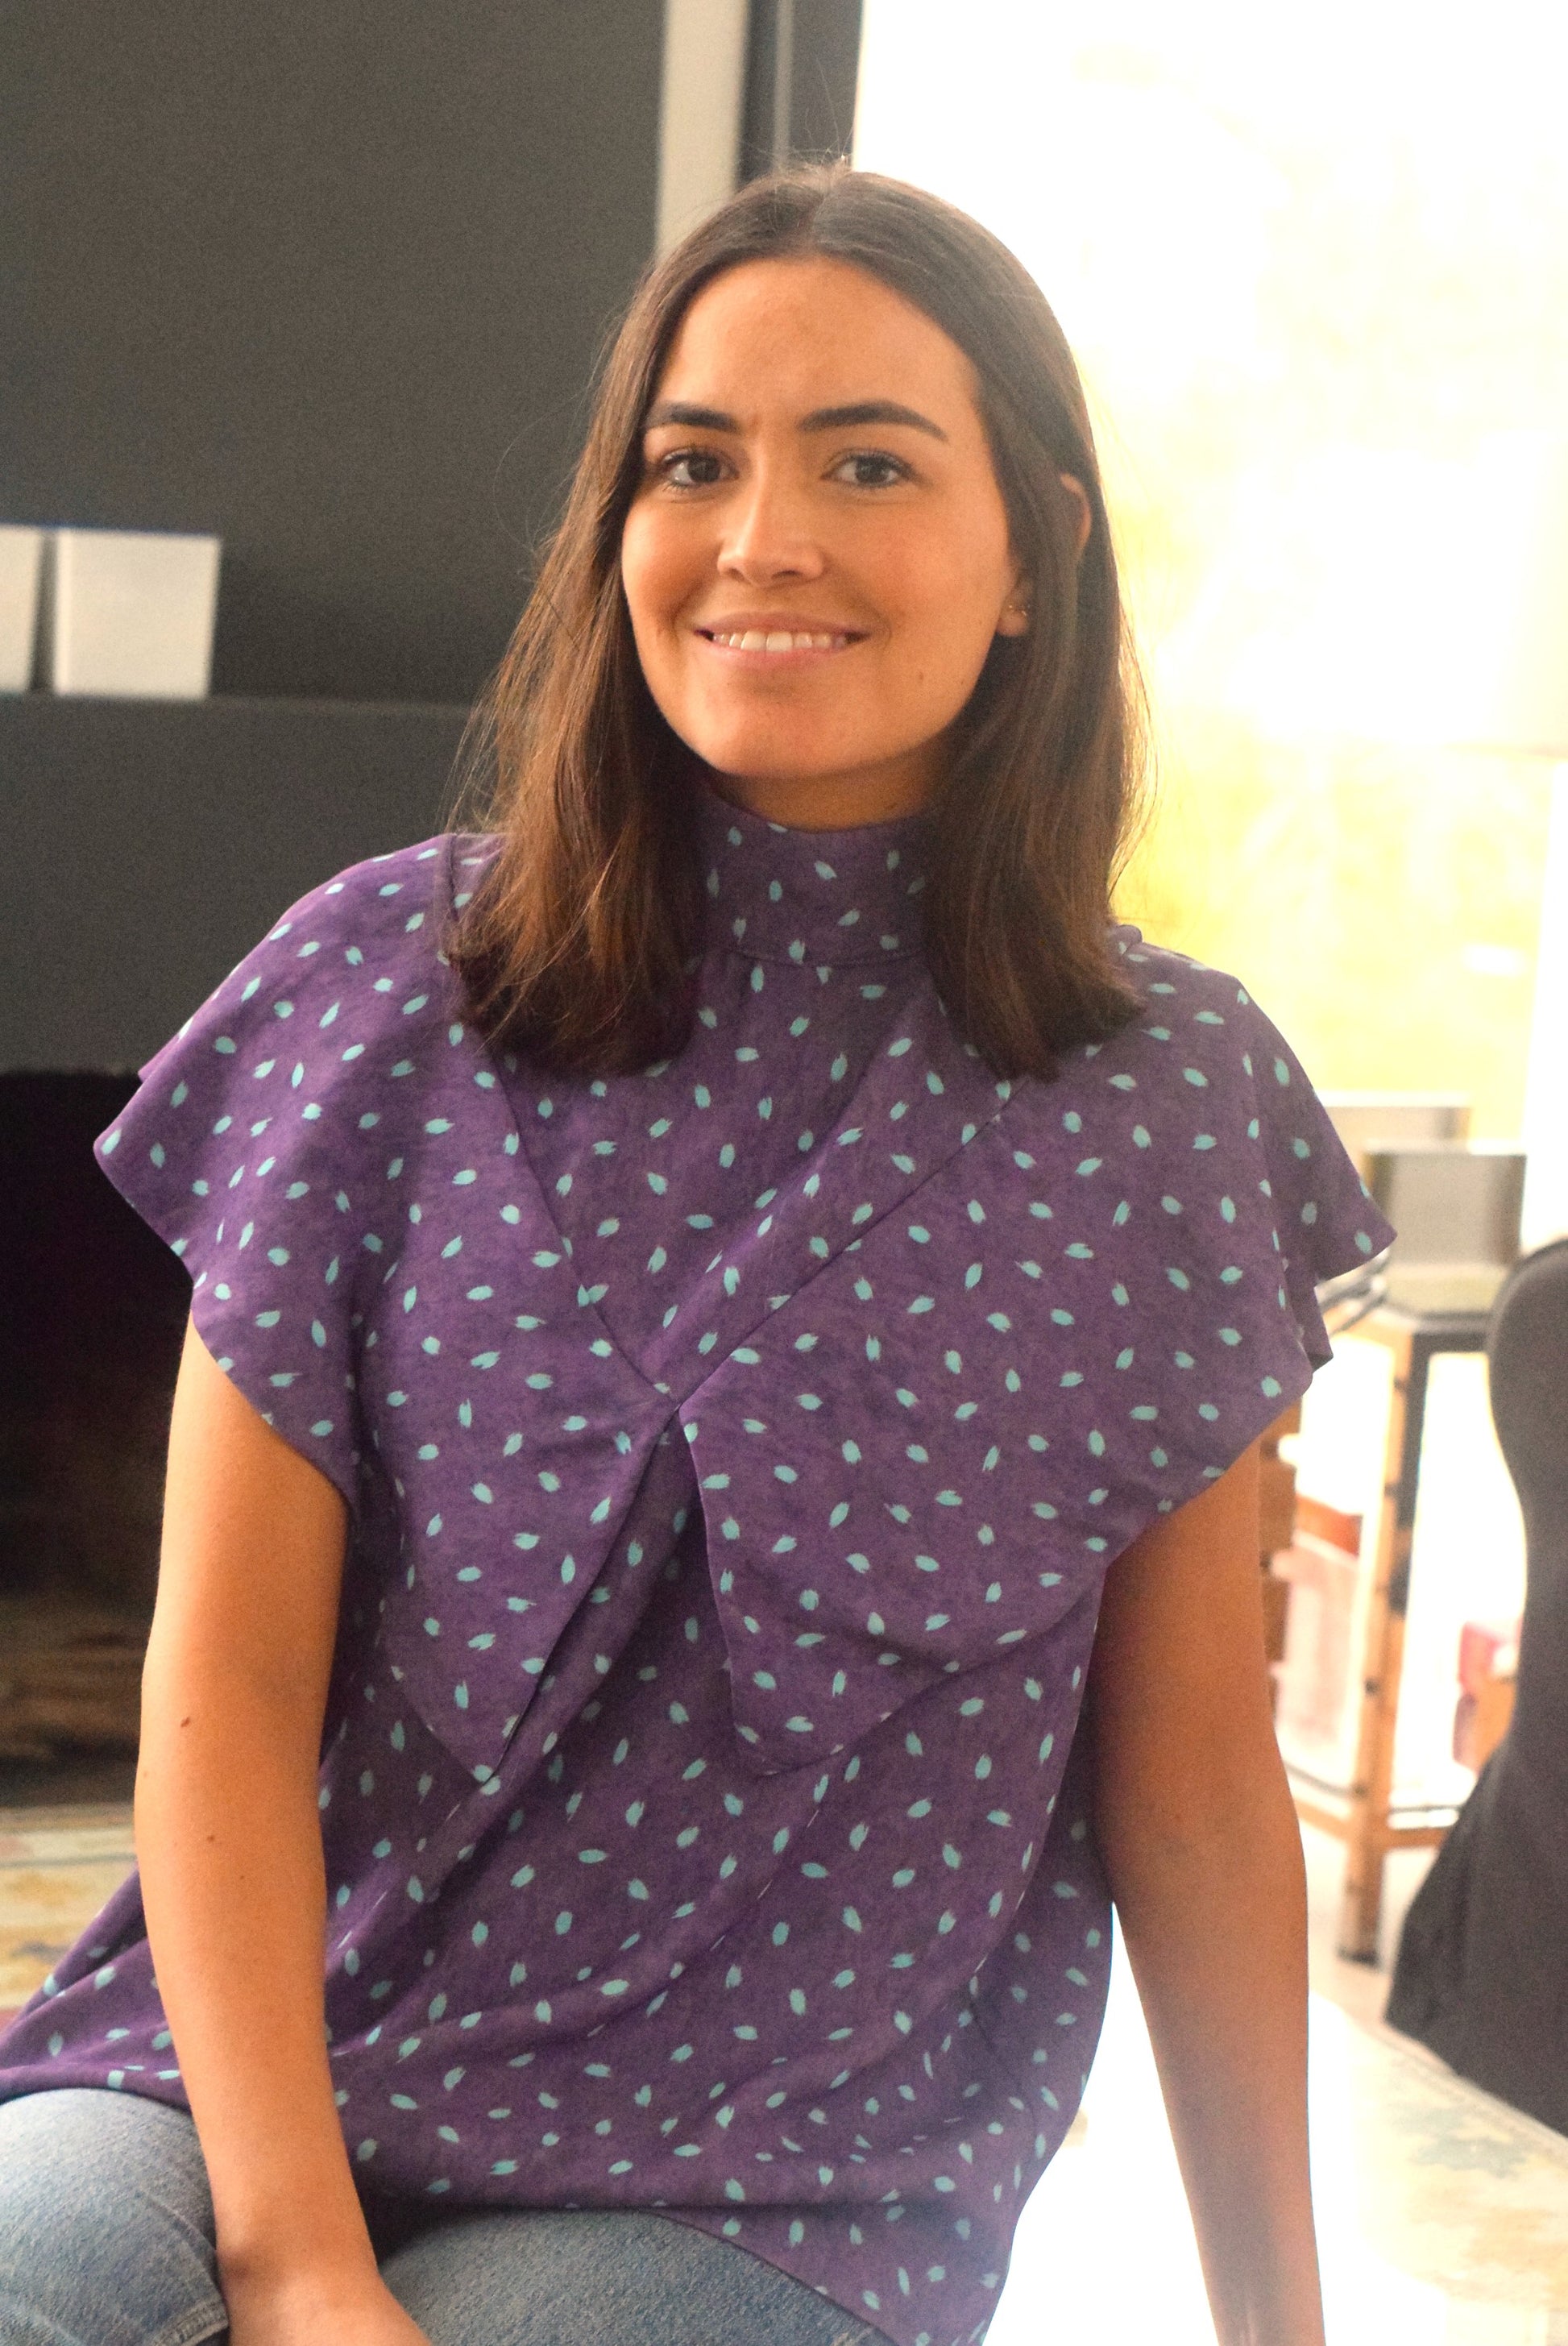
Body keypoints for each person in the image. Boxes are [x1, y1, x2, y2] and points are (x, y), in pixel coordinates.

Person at [0, 167, 1391, 2346]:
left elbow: (1198, 1797)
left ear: (1035, 551)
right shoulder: (379, 987)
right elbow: (225, 1688)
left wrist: (1278, 2332)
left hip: (778, 2171)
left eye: (868, 463)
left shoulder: (1168, 1101)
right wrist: (297, 2259)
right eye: (693, 462)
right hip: (236, 2068)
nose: (763, 538)